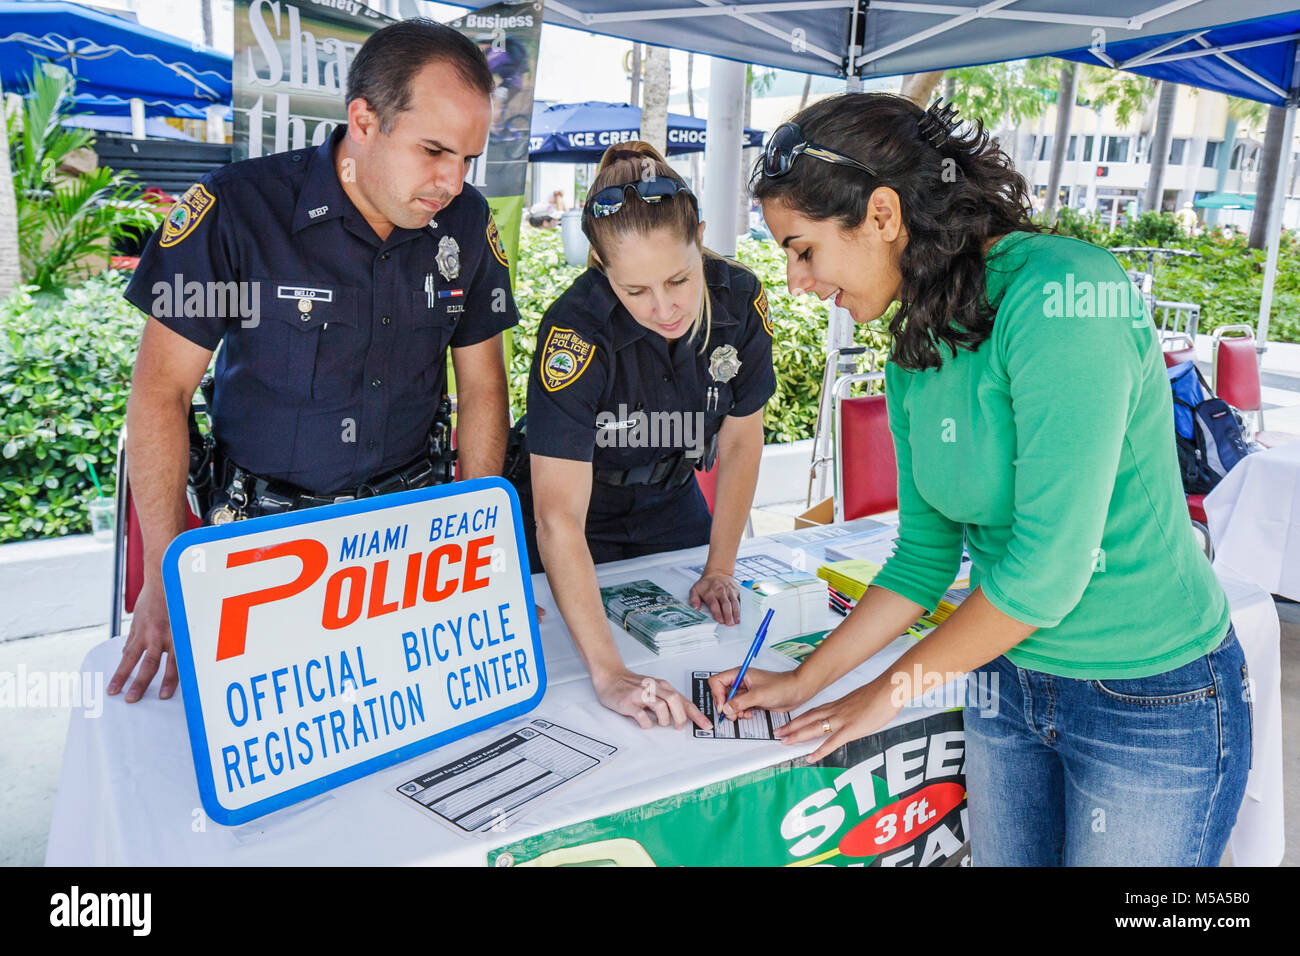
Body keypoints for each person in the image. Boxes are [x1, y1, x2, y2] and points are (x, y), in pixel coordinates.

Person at [719, 93, 1249, 866]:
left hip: (1152, 699)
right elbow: (923, 558)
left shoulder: (1063, 295)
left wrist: (874, 700)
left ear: (883, 215)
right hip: (1009, 682)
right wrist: (809, 679)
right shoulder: (914, 344)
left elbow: (1043, 577)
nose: (797, 280)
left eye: (802, 249)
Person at [108, 19, 519, 704]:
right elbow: (160, 395)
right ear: (364, 120)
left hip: (404, 546)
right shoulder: (237, 210)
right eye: (434, 151)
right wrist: (162, 574)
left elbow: (484, 390)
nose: (453, 181)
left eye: (469, 159)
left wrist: (480, 551)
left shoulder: (467, 223)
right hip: (262, 547)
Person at [517, 141, 776, 731]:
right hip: (582, 520)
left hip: (673, 504)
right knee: (574, 697)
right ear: (603, 270)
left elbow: (739, 443)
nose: (664, 308)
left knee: (708, 655)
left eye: (679, 279)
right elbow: (558, 519)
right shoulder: (575, 328)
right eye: (635, 291)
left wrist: (720, 564)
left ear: (701, 237)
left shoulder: (739, 298)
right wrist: (609, 673)